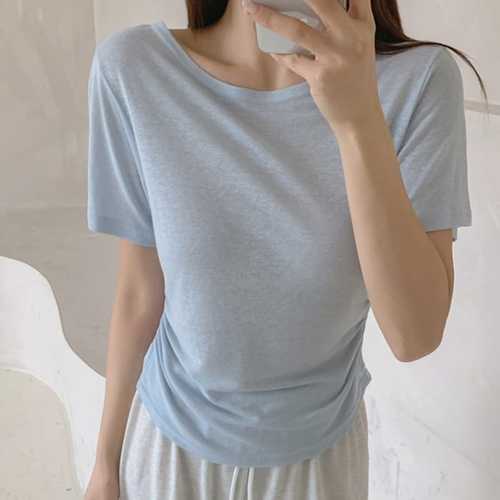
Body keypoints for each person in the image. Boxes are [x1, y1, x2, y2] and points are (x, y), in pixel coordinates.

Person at [84, 0, 478, 498]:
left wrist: (358, 120)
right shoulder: (134, 69)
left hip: (317, 462)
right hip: (166, 452)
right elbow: (140, 291)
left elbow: (414, 334)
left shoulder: (419, 82)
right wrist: (105, 464)